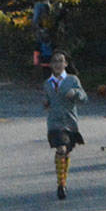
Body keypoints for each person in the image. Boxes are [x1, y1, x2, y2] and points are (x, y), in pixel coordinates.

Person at [42, 49, 87, 200]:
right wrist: (46, 103)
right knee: (61, 148)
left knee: (66, 152)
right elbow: (47, 100)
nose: (58, 64)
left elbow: (84, 98)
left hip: (70, 123)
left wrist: (74, 93)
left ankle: (63, 181)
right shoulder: (47, 84)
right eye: (55, 61)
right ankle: (60, 185)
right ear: (50, 65)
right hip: (54, 124)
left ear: (66, 64)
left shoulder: (72, 80)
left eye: (61, 61)